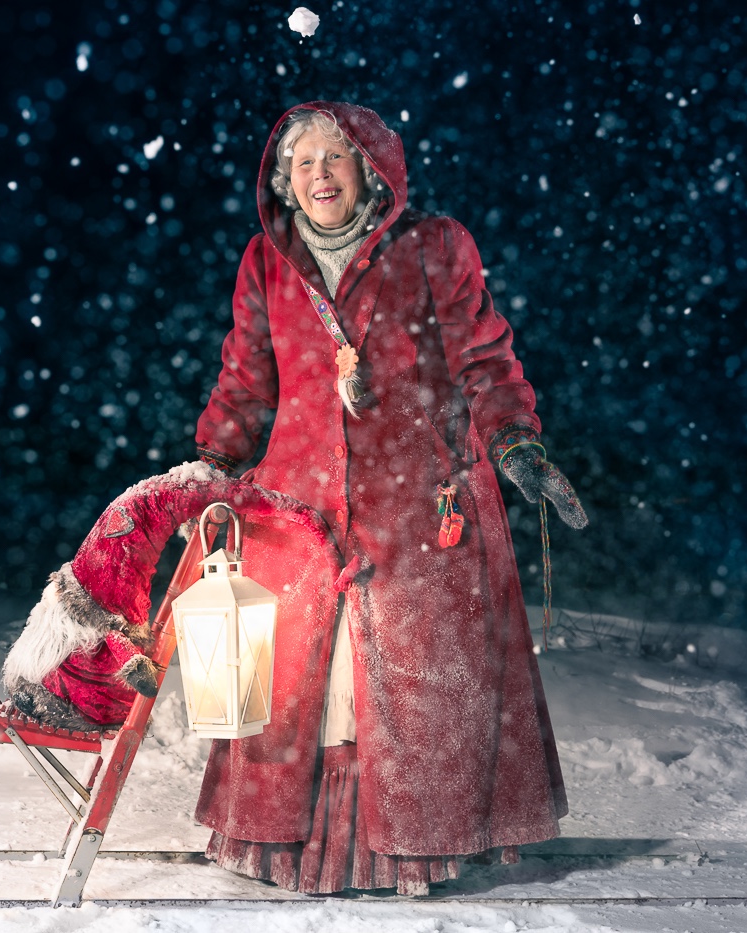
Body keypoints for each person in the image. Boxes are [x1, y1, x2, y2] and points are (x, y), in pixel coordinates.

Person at [190, 101, 589, 896]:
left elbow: (483, 353)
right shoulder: (266, 261)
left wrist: (514, 439)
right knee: (305, 690)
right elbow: (245, 378)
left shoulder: (436, 246)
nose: (318, 176)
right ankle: (296, 847)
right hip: (297, 511)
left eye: (334, 158)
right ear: (283, 181)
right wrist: (210, 465)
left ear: (371, 169)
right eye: (301, 164)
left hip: (418, 506)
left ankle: (418, 842)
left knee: (411, 689)